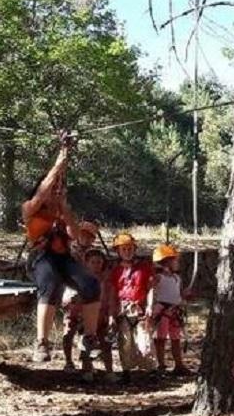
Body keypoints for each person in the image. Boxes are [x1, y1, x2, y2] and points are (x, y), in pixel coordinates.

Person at [22, 136, 102, 365]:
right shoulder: (30, 209)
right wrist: (61, 159)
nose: (56, 192)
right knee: (51, 281)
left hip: (63, 258)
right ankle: (41, 342)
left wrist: (65, 209)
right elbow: (43, 190)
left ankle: (89, 337)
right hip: (41, 259)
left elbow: (75, 235)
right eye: (53, 189)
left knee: (91, 284)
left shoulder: (61, 211)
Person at [108, 232, 155, 378]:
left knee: (144, 340)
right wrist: (111, 315)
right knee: (125, 341)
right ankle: (126, 370)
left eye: (129, 248)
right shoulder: (116, 271)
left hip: (140, 308)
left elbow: (150, 287)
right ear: (118, 251)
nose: (127, 252)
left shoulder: (144, 268)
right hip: (123, 309)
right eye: (123, 249)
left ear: (134, 249)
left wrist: (150, 306)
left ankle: (150, 369)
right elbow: (112, 293)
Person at [62, 249, 112, 381]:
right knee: (85, 341)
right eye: (93, 262)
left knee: (105, 342)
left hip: (100, 315)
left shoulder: (105, 280)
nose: (96, 265)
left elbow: (107, 298)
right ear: (86, 263)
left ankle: (109, 371)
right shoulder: (80, 279)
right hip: (80, 315)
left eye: (99, 262)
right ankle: (86, 369)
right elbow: (70, 298)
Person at [148, 243, 187, 376]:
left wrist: (184, 297)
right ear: (167, 262)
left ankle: (179, 364)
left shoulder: (177, 278)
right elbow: (150, 289)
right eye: (175, 260)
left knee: (176, 339)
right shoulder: (159, 277)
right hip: (162, 311)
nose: (177, 262)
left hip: (174, 311)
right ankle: (160, 364)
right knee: (161, 339)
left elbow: (179, 294)